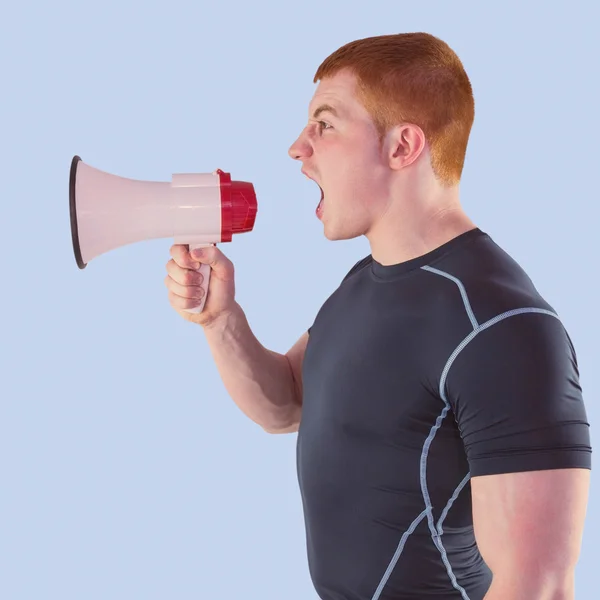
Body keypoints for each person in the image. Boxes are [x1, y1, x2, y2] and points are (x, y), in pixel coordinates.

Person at [164, 32, 592, 600]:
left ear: (402, 147)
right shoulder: (362, 286)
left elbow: (538, 586)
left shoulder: (502, 325)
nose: (297, 147)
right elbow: (286, 403)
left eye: (325, 123)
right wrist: (221, 320)